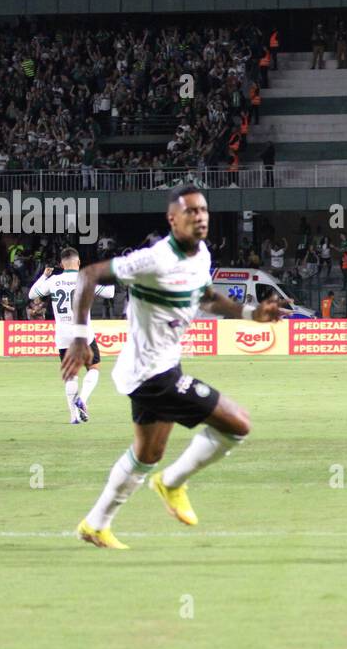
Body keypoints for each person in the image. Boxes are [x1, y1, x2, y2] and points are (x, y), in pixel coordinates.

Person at [62, 185, 289, 550]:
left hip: (159, 365)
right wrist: (79, 338)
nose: (200, 217)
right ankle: (172, 483)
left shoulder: (201, 255)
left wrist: (251, 314)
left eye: (203, 210)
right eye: (191, 212)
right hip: (153, 375)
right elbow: (88, 276)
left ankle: (95, 523)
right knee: (238, 425)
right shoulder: (153, 260)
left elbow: (206, 297)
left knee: (148, 453)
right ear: (173, 219)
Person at [30, 248, 116, 425]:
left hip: (62, 335)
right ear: (78, 262)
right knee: (94, 368)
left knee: (71, 376)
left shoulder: (54, 280)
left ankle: (74, 417)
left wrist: (44, 276)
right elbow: (110, 293)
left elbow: (32, 295)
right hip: (82, 332)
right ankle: (82, 399)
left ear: (62, 264)